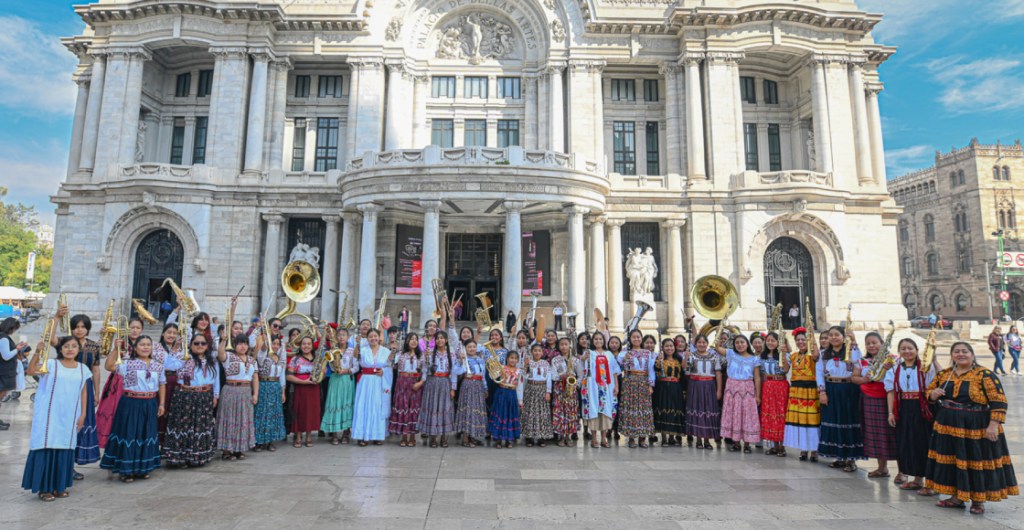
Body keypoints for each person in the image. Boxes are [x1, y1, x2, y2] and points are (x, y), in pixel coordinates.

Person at [926, 342, 1018, 514]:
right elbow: (929, 393)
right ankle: (956, 497)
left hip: (975, 427)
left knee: (976, 461)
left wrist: (993, 425)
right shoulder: (944, 374)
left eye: (965, 351)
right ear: (952, 355)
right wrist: (932, 394)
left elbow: (999, 401)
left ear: (972, 354)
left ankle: (978, 500)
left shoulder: (984, 374)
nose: (961, 354)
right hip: (948, 427)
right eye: (957, 352)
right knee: (954, 461)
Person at [22, 336, 90, 501]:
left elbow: (83, 392)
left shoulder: (82, 369)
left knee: (64, 447)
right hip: (49, 414)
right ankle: (44, 488)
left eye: (74, 346)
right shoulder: (51, 364)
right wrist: (38, 352)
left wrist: (83, 414)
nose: (70, 349)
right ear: (60, 349)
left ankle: (59, 486)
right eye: (66, 346)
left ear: (78, 350)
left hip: (70, 415)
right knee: (47, 445)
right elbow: (31, 371)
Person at [99, 336, 166, 483]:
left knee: (145, 434)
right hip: (130, 402)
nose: (145, 347)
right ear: (135, 348)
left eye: (148, 344)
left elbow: (162, 384)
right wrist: (115, 350)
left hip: (149, 403)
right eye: (142, 344)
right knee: (129, 435)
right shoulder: (128, 364)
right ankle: (126, 470)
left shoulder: (158, 365)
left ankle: (143, 469)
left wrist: (161, 404)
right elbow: (109, 366)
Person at [885, 338, 937, 493]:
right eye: (903, 348)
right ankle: (917, 479)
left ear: (916, 350)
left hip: (922, 408)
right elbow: (891, 392)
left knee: (924, 443)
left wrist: (935, 360)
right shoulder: (894, 369)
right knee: (908, 442)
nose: (907, 351)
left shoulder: (926, 367)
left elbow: (937, 381)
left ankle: (931, 482)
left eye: (910, 348)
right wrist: (890, 412)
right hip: (903, 408)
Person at [161, 332, 219, 468]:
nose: (200, 346)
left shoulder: (212, 360)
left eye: (203, 343)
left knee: (200, 426)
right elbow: (168, 366)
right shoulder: (183, 357)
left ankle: (198, 456)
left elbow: (216, 380)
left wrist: (215, 395)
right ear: (191, 345)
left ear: (207, 345)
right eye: (196, 343)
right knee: (183, 426)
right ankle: (180, 457)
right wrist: (175, 349)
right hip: (185, 396)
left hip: (204, 396)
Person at [816, 326, 864, 472]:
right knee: (833, 421)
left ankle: (851, 458)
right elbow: (819, 373)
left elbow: (858, 362)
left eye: (837, 335)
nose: (833, 337)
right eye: (830, 335)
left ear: (844, 337)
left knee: (848, 421)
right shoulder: (823, 354)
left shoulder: (851, 351)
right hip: (831, 388)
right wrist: (822, 392)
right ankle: (839, 456)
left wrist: (854, 341)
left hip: (849, 390)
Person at [851, 332, 897, 480]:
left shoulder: (893, 359)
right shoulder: (862, 361)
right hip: (869, 399)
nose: (871, 346)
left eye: (874, 342)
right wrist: (864, 379)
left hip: (888, 399)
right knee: (876, 435)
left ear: (882, 343)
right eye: (868, 343)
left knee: (893, 434)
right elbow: (854, 378)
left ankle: (902, 471)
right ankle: (882, 468)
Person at [98, 318, 145, 448]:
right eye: (132, 327)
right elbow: (108, 365)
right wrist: (115, 348)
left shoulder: (145, 345)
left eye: (138, 328)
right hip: (117, 383)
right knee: (114, 411)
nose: (135, 330)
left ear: (142, 330)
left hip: (137, 384)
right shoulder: (121, 343)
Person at [716, 334, 762, 453]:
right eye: (737, 343)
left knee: (747, 415)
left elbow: (757, 378)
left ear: (747, 344)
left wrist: (757, 395)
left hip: (747, 388)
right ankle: (736, 443)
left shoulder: (754, 359)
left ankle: (747, 444)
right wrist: (720, 330)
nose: (740, 345)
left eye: (742, 342)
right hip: (732, 389)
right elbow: (716, 347)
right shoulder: (731, 354)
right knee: (734, 414)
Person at [782, 328, 820, 462]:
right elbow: (786, 369)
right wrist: (783, 353)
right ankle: (804, 449)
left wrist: (813, 338)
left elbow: (816, 355)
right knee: (800, 421)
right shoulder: (793, 356)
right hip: (796, 390)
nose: (800, 342)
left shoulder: (813, 355)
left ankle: (814, 450)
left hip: (810, 391)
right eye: (798, 340)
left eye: (803, 340)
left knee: (812, 420)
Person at [352, 329, 395, 446]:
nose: (373, 338)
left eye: (375, 336)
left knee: (377, 406)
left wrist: (384, 371)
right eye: (370, 336)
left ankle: (377, 435)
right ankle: (362, 436)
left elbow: (390, 366)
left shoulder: (386, 351)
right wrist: (357, 344)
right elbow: (355, 359)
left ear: (379, 338)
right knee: (364, 406)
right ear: (367, 338)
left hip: (379, 381)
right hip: (365, 381)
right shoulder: (363, 350)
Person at [418, 330, 460, 448]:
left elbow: (454, 373)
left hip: (445, 383)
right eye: (437, 338)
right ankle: (432, 437)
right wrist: (424, 358)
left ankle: (443, 437)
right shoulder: (430, 353)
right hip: (432, 384)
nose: (440, 340)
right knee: (433, 409)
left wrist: (453, 388)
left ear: (446, 340)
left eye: (442, 338)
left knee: (445, 409)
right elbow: (423, 369)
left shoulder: (451, 355)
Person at [617, 329, 656, 448]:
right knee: (631, 409)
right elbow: (618, 366)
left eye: (638, 337)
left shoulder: (647, 353)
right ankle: (632, 438)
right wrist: (625, 359)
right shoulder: (625, 352)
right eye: (634, 337)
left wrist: (650, 385)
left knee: (643, 409)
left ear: (641, 338)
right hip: (629, 382)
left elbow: (650, 369)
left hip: (643, 382)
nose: (636, 339)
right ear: (630, 339)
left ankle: (642, 437)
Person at [580, 331, 619, 448]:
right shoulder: (589, 353)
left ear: (604, 341)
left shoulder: (609, 354)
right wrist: (583, 358)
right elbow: (582, 364)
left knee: (605, 411)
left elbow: (615, 371)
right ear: (592, 341)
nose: (598, 341)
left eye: (600, 339)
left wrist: (616, 386)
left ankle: (603, 438)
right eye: (596, 339)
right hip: (592, 387)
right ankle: (593, 439)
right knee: (594, 411)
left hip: (607, 386)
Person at [684, 334, 722, 449]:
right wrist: (686, 357)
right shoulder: (692, 356)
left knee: (708, 411)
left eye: (703, 342)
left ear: (707, 343)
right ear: (695, 344)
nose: (701, 344)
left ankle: (707, 440)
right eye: (699, 342)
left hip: (709, 386)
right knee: (697, 410)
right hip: (695, 386)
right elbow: (686, 371)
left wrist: (719, 390)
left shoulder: (714, 357)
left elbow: (718, 374)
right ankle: (698, 440)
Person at [322, 328, 357, 445]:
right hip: (335, 379)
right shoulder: (331, 351)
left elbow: (356, 367)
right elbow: (328, 365)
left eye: (344, 335)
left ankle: (346, 433)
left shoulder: (352, 351)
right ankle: (335, 433)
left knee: (347, 404)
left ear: (348, 337)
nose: (341, 337)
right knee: (334, 403)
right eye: (339, 335)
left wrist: (346, 371)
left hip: (347, 379)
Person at [254, 333, 288, 451]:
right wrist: (265, 338)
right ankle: (258, 441)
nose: (275, 346)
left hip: (275, 386)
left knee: (273, 414)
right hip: (264, 385)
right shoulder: (263, 356)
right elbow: (262, 350)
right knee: (261, 413)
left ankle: (270, 441)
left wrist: (283, 391)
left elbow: (282, 375)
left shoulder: (280, 359)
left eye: (278, 344)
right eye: (273, 343)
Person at [152, 323, 182, 446]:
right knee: (160, 410)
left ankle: (169, 442)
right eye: (169, 332)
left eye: (174, 333)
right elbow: (164, 365)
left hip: (176, 382)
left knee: (172, 411)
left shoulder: (181, 349)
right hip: (161, 382)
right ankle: (157, 442)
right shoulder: (156, 347)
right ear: (163, 333)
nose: (171, 335)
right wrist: (173, 350)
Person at [286, 336, 319, 448]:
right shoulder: (295, 359)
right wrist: (303, 382)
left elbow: (322, 372)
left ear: (312, 346)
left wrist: (319, 377)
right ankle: (298, 436)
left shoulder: (317, 358)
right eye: (304, 344)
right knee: (299, 411)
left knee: (311, 412)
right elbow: (289, 376)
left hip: (313, 388)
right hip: (300, 388)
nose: (306, 346)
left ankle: (309, 436)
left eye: (309, 344)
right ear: (300, 346)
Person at [759, 332, 789, 456]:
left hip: (780, 385)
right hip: (768, 386)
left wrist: (783, 354)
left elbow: (786, 369)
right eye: (768, 340)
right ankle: (773, 445)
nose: (770, 343)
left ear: (778, 342)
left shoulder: (784, 355)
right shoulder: (763, 356)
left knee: (780, 414)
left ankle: (782, 446)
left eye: (773, 340)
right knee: (770, 414)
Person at [455, 338, 488, 448]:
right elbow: (456, 371)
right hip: (468, 385)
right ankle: (465, 437)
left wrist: (485, 388)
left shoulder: (480, 359)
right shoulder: (464, 359)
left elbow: (482, 376)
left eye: (473, 346)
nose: (472, 349)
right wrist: (460, 361)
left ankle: (473, 436)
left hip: (478, 387)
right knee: (468, 411)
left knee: (476, 411)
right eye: (469, 347)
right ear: (465, 348)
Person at [551, 335, 583, 447]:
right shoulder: (555, 360)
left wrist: (575, 384)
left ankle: (568, 436)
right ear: (559, 346)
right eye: (562, 344)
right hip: (559, 390)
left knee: (570, 412)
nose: (564, 347)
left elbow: (580, 375)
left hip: (571, 390)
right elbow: (553, 374)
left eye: (566, 344)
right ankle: (561, 436)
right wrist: (561, 376)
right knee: (560, 412)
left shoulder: (575, 360)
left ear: (570, 346)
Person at [653, 338, 685, 446]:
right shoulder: (660, 360)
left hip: (676, 388)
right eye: (666, 346)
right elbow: (656, 369)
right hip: (663, 388)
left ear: (674, 347)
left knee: (674, 410)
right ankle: (664, 438)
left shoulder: (678, 360)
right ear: (662, 348)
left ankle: (672, 437)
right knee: (663, 410)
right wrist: (659, 360)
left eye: (671, 346)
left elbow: (684, 371)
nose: (669, 348)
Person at [488, 350, 523, 448]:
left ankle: (509, 440)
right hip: (501, 393)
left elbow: (519, 386)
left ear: (517, 360)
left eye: (515, 358)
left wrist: (520, 400)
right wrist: (494, 367)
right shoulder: (502, 367)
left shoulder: (519, 371)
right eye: (511, 358)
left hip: (512, 395)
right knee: (500, 415)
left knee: (509, 417)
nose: (513, 360)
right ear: (507, 358)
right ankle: (498, 439)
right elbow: (492, 376)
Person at [520, 343, 553, 447]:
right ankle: (529, 437)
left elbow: (548, 378)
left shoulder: (546, 363)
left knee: (542, 413)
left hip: (542, 389)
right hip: (530, 388)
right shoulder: (528, 362)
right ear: (531, 352)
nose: (537, 352)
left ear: (542, 352)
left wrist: (548, 392)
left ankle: (541, 437)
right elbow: (524, 377)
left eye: (539, 350)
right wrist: (525, 366)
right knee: (530, 413)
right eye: (535, 350)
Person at [0, 317, 28, 431]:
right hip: (4, 372)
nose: (14, 331)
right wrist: (17, 349)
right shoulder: (4, 338)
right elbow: (6, 356)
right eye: (14, 329)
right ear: (11, 327)